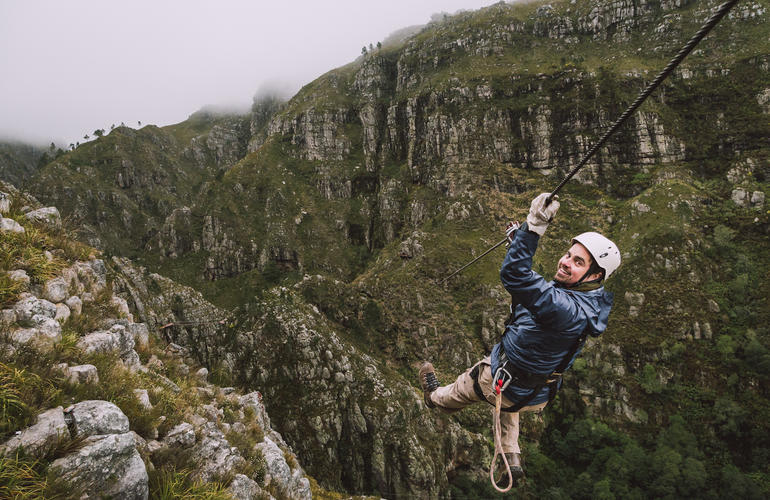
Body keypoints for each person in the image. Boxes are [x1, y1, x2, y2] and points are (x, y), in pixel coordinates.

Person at [419, 192, 619, 480]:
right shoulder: (589, 303)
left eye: (577, 262)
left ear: (595, 276)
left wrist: (534, 227)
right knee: (511, 396)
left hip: (506, 380)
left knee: (469, 384)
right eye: (568, 254)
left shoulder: (567, 311)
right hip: (538, 390)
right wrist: (519, 244)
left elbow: (516, 277)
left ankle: (434, 399)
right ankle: (511, 457)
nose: (565, 262)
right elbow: (539, 297)